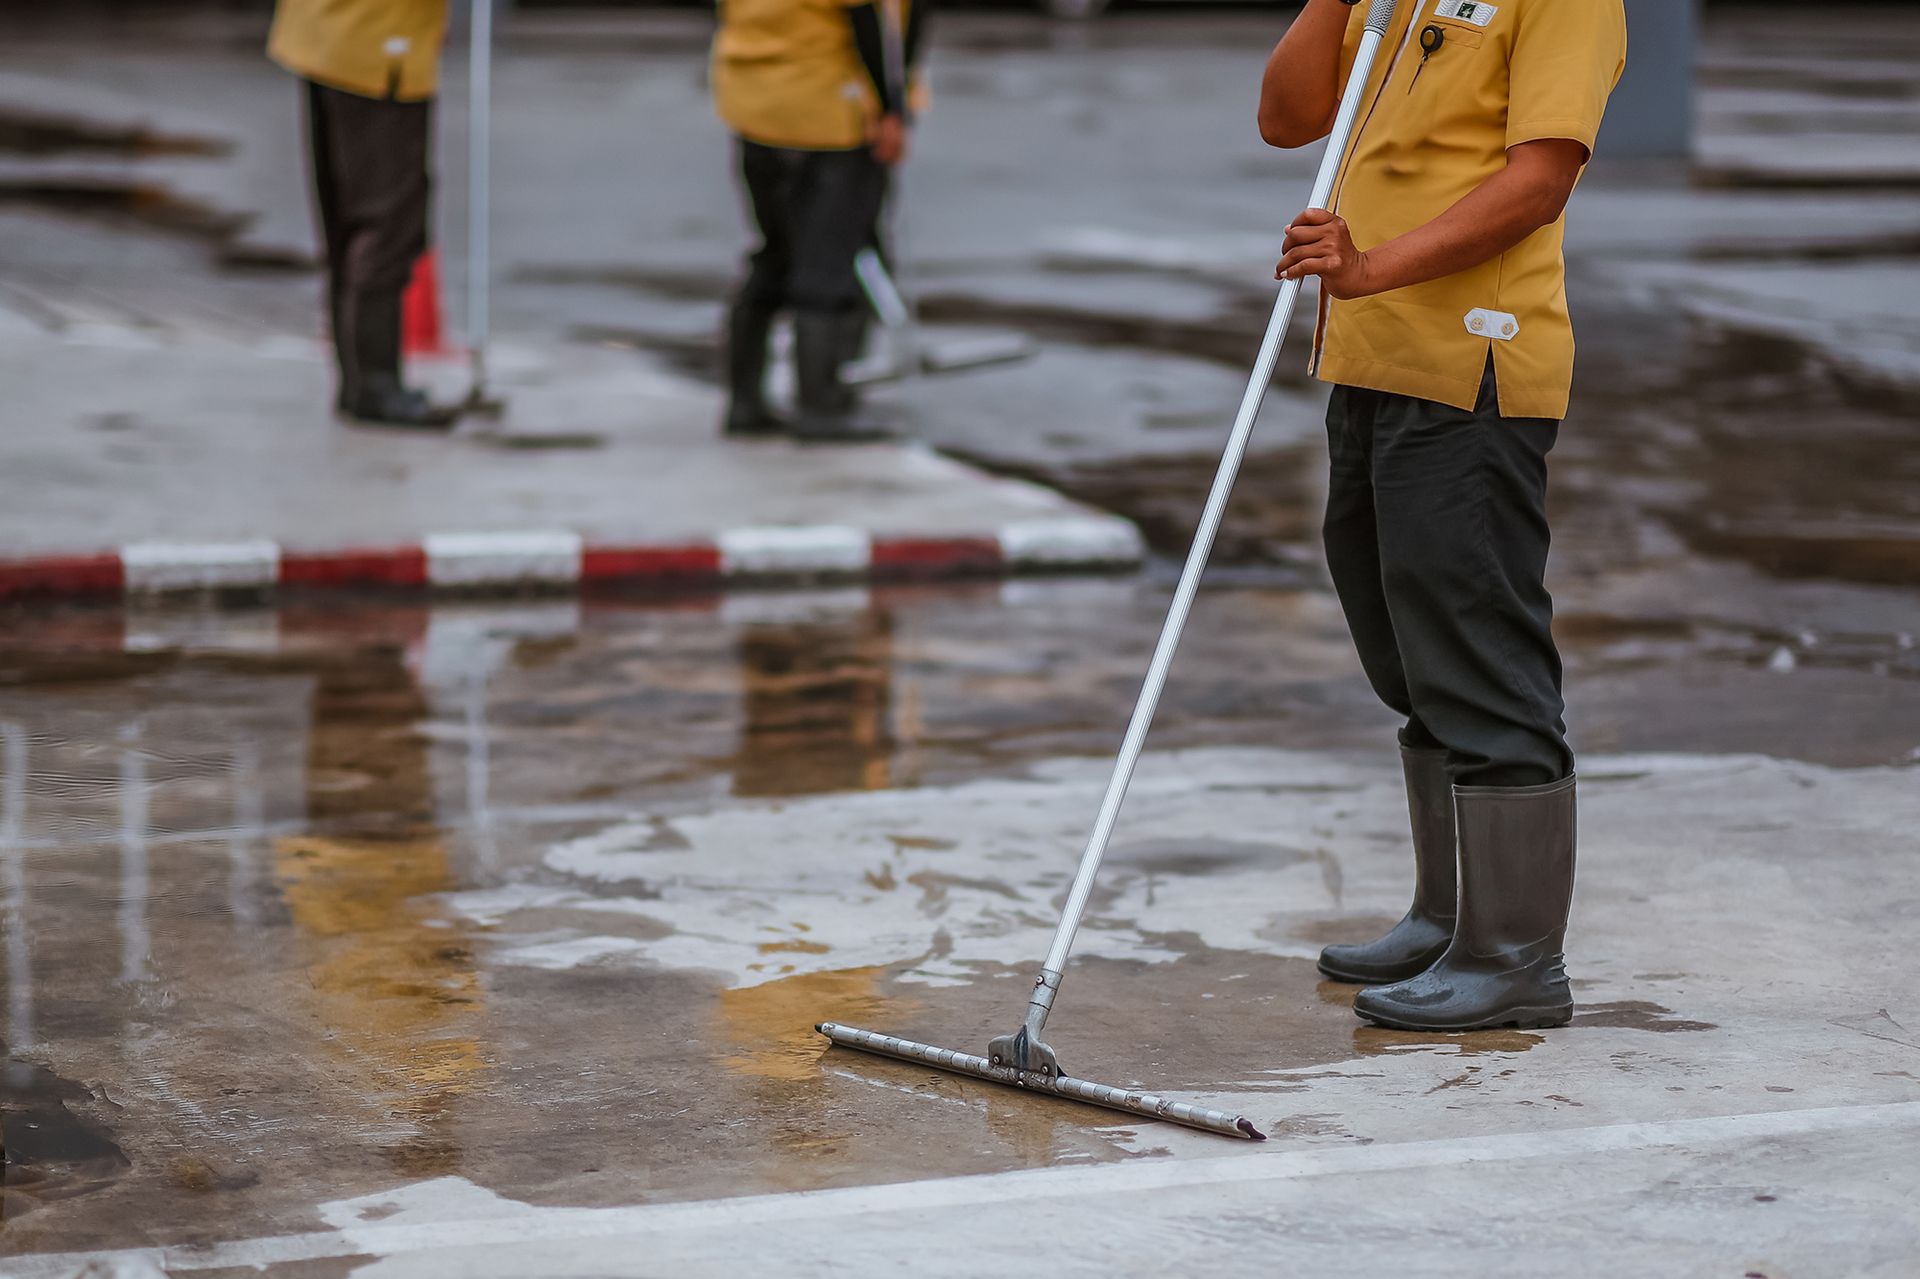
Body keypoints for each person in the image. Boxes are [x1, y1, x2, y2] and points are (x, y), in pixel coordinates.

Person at [1257, 0, 1625, 1032]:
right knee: (1406, 646)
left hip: (1475, 364)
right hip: (1371, 361)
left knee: (1474, 640)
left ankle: (1514, 957)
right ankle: (1451, 912)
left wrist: (1372, 267)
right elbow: (1288, 119)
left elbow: (1540, 179)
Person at [712, 0, 929, 443]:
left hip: (753, 101)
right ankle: (821, 407)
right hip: (827, 110)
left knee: (774, 252)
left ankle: (744, 401)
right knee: (829, 259)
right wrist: (892, 110)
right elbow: (868, 20)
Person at [269, 0, 458, 430]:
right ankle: (376, 383)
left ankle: (359, 382)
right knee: (387, 219)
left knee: (345, 214)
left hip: (323, 32)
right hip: (378, 43)